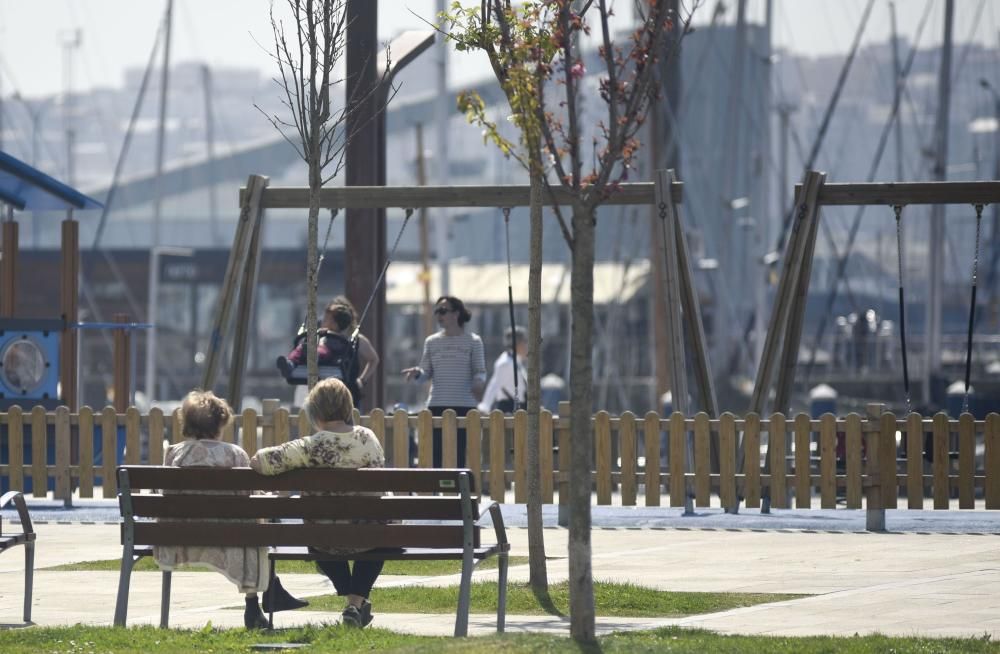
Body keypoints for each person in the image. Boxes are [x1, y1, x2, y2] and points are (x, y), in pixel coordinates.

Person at [154, 390, 307, 630]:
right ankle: (255, 605)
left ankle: (271, 593)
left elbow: (168, 497)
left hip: (179, 537)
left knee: (252, 529)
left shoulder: (174, 454)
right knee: (255, 531)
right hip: (230, 538)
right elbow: (250, 500)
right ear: (220, 422)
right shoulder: (234, 454)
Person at [250, 378, 386, 629]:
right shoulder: (368, 438)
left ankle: (354, 604)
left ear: (315, 412)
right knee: (377, 542)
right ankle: (355, 605)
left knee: (320, 544)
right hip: (368, 538)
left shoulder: (309, 446)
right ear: (348, 408)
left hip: (324, 539)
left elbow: (259, 461)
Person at [402, 295, 487, 468]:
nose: (438, 315)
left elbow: (480, 371)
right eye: (437, 312)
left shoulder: (474, 341)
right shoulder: (431, 342)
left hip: (465, 406)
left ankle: (460, 493)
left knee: (461, 455)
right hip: (437, 404)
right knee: (435, 455)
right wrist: (418, 373)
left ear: (456, 314)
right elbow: (426, 372)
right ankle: (436, 493)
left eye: (443, 311)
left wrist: (479, 383)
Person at [279, 297, 380, 411]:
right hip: (321, 390)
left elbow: (374, 359)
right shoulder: (322, 336)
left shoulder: (356, 340)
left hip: (347, 391)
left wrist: (362, 380)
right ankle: (291, 363)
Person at [478, 325, 527, 414]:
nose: (526, 346)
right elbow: (494, 385)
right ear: (518, 343)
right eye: (524, 341)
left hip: (519, 408)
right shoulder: (506, 362)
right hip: (508, 409)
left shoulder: (516, 361)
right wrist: (484, 407)